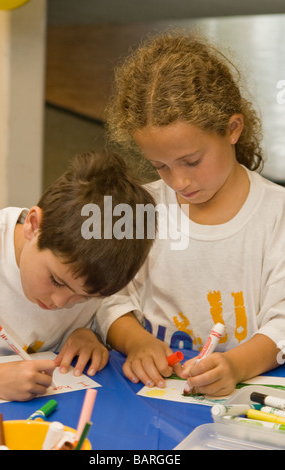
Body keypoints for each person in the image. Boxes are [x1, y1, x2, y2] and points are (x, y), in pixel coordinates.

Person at [95, 31, 285, 397]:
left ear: (233, 129)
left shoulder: (276, 215)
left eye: (192, 161)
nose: (179, 181)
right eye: (160, 165)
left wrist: (235, 365)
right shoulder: (139, 210)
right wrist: (137, 343)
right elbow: (107, 297)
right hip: (150, 395)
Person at [0, 150, 155, 401]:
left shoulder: (87, 275)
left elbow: (99, 314)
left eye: (84, 298)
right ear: (33, 225)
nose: (60, 302)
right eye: (56, 281)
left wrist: (86, 334)